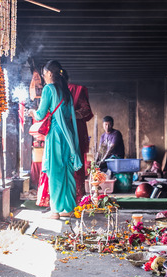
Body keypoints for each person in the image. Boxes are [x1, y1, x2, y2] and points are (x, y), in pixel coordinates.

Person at [28, 60, 82, 219]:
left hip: (56, 135)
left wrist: (32, 111)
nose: (43, 77)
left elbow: (40, 114)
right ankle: (69, 208)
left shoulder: (49, 89)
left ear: (50, 74)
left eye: (44, 74)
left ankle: (56, 210)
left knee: (55, 172)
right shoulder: (65, 91)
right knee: (67, 171)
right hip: (69, 136)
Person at [65, 72, 94, 203]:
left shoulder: (77, 89)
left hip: (75, 131)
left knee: (76, 165)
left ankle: (77, 198)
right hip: (60, 132)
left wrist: (69, 115)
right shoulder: (52, 90)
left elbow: (86, 110)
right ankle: (60, 200)